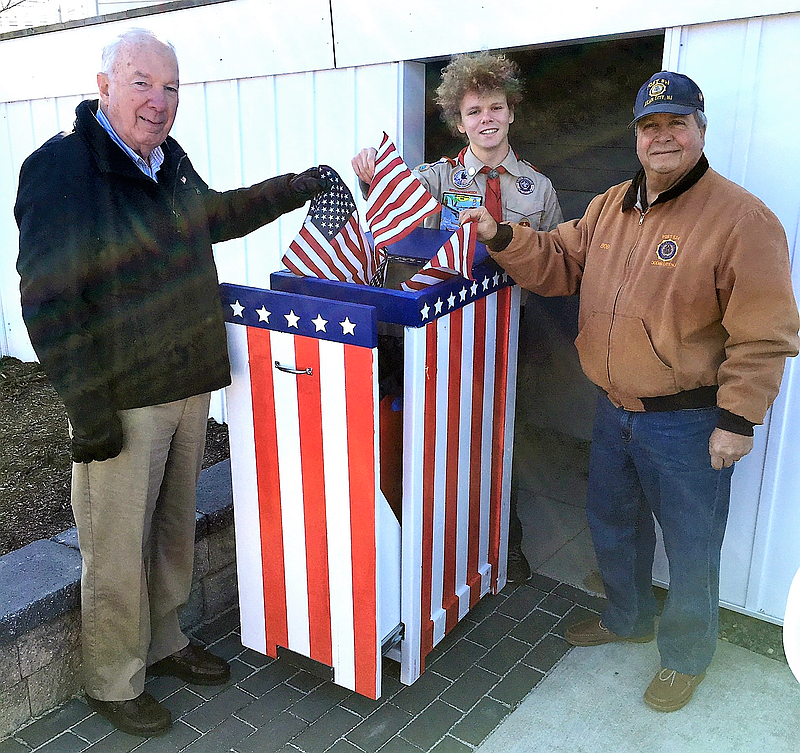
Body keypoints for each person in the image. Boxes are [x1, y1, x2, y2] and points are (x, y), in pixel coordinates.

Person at [14, 28, 329, 737]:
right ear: (104, 86)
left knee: (169, 535)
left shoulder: (166, 163)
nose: (159, 103)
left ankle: (164, 642)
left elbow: (213, 216)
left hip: (187, 385)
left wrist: (290, 188)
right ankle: (113, 679)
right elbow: (46, 300)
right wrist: (87, 406)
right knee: (116, 546)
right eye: (142, 84)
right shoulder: (62, 168)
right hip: (120, 399)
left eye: (172, 88)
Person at [462, 71, 800, 711]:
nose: (662, 137)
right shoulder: (610, 206)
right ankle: (627, 616)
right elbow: (558, 262)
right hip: (612, 406)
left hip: (690, 421)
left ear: (700, 130)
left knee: (693, 545)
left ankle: (686, 657)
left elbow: (765, 334)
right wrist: (500, 236)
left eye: (677, 123)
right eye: (651, 126)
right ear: (637, 137)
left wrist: (738, 418)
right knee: (613, 524)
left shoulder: (743, 221)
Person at [352, 51, 564, 583]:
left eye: (496, 107)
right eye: (473, 111)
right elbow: (389, 212)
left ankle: (503, 543)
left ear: (512, 111)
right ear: (458, 119)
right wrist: (367, 177)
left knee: (501, 440)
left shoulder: (536, 189)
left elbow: (559, 262)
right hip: (444, 339)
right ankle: (444, 549)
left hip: (510, 337)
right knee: (442, 439)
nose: (486, 119)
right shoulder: (435, 178)